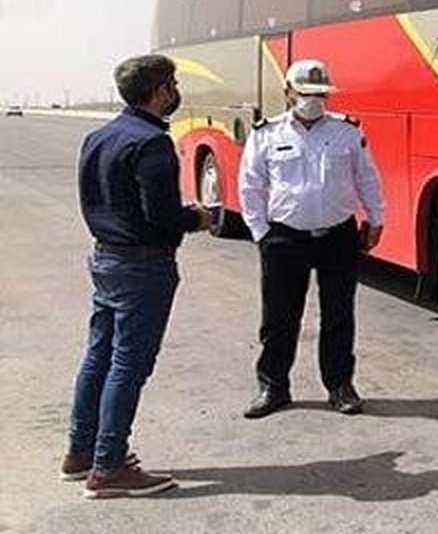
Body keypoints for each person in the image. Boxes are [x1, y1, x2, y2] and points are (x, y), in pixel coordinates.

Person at [66, 54, 212, 498]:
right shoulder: (151, 143)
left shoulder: (99, 136)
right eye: (172, 84)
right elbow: (162, 214)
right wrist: (198, 219)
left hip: (107, 258)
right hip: (143, 267)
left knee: (99, 357)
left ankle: (81, 453)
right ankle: (109, 468)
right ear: (160, 91)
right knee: (128, 366)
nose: (175, 91)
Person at [239, 59, 384, 419]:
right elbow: (250, 186)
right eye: (306, 93)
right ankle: (273, 386)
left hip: (338, 236)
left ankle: (339, 385)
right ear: (289, 94)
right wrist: (262, 233)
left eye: (321, 94)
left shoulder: (347, 132)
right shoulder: (266, 133)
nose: (314, 100)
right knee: (279, 317)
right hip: (284, 239)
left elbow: (367, 177)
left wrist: (376, 218)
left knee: (339, 315)